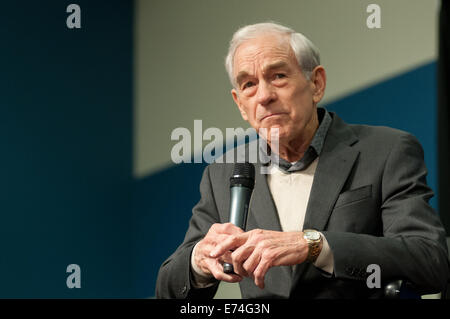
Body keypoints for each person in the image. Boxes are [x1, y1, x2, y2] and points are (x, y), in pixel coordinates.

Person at [156, 22, 450, 299]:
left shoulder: (386, 151)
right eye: (249, 85)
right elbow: (169, 287)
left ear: (316, 84)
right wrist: (198, 262)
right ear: (240, 105)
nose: (264, 96)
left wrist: (314, 244)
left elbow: (429, 260)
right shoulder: (223, 173)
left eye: (278, 76)